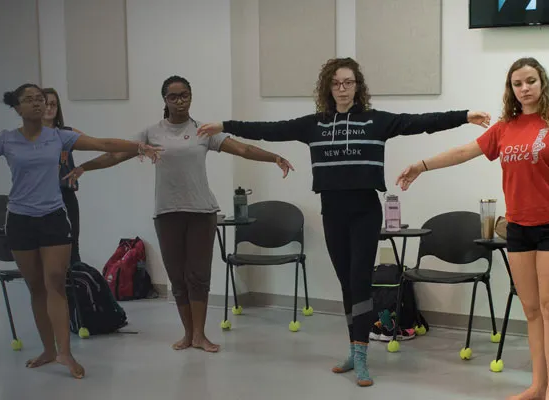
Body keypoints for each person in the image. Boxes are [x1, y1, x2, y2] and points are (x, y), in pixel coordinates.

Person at [197, 57, 492, 387]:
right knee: (347, 285)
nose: (342, 89)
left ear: (357, 86)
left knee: (360, 281)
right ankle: (354, 348)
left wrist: (464, 116)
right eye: (336, 83)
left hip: (365, 211)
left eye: (348, 82)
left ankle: (362, 356)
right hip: (332, 212)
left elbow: (420, 122)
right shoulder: (313, 125)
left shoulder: (377, 121)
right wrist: (225, 124)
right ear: (328, 87)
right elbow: (269, 130)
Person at [395, 57, 549, 400]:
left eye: (530, 81)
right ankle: (537, 385)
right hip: (518, 228)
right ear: (511, 90)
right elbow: (464, 151)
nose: (525, 88)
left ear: (542, 83)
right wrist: (422, 165)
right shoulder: (505, 128)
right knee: (530, 310)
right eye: (518, 84)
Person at [0, 83, 161, 379]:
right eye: (29, 100)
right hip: (19, 220)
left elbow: (102, 144)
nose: (37, 104)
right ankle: (47, 349)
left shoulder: (59, 137)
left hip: (54, 217)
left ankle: (64, 353)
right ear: (17, 108)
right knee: (36, 288)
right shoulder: (5, 140)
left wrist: (138, 147)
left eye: (40, 100)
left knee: (55, 280)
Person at [69, 76, 294, 354]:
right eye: (173, 96)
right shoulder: (152, 133)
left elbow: (242, 148)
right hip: (167, 213)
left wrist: (274, 157)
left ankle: (200, 334)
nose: (180, 101)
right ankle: (188, 334)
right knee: (177, 277)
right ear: (164, 100)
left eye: (184, 95)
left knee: (198, 275)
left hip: (201, 212)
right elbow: (115, 154)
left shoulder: (203, 131)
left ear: (191, 96)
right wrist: (84, 168)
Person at [41, 88, 88, 264]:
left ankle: (75, 286)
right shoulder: (29, 136)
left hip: (65, 194)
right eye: (45, 104)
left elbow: (96, 143)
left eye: (53, 104)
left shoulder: (66, 133)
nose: (49, 108)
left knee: (71, 243)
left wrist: (82, 167)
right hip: (41, 197)